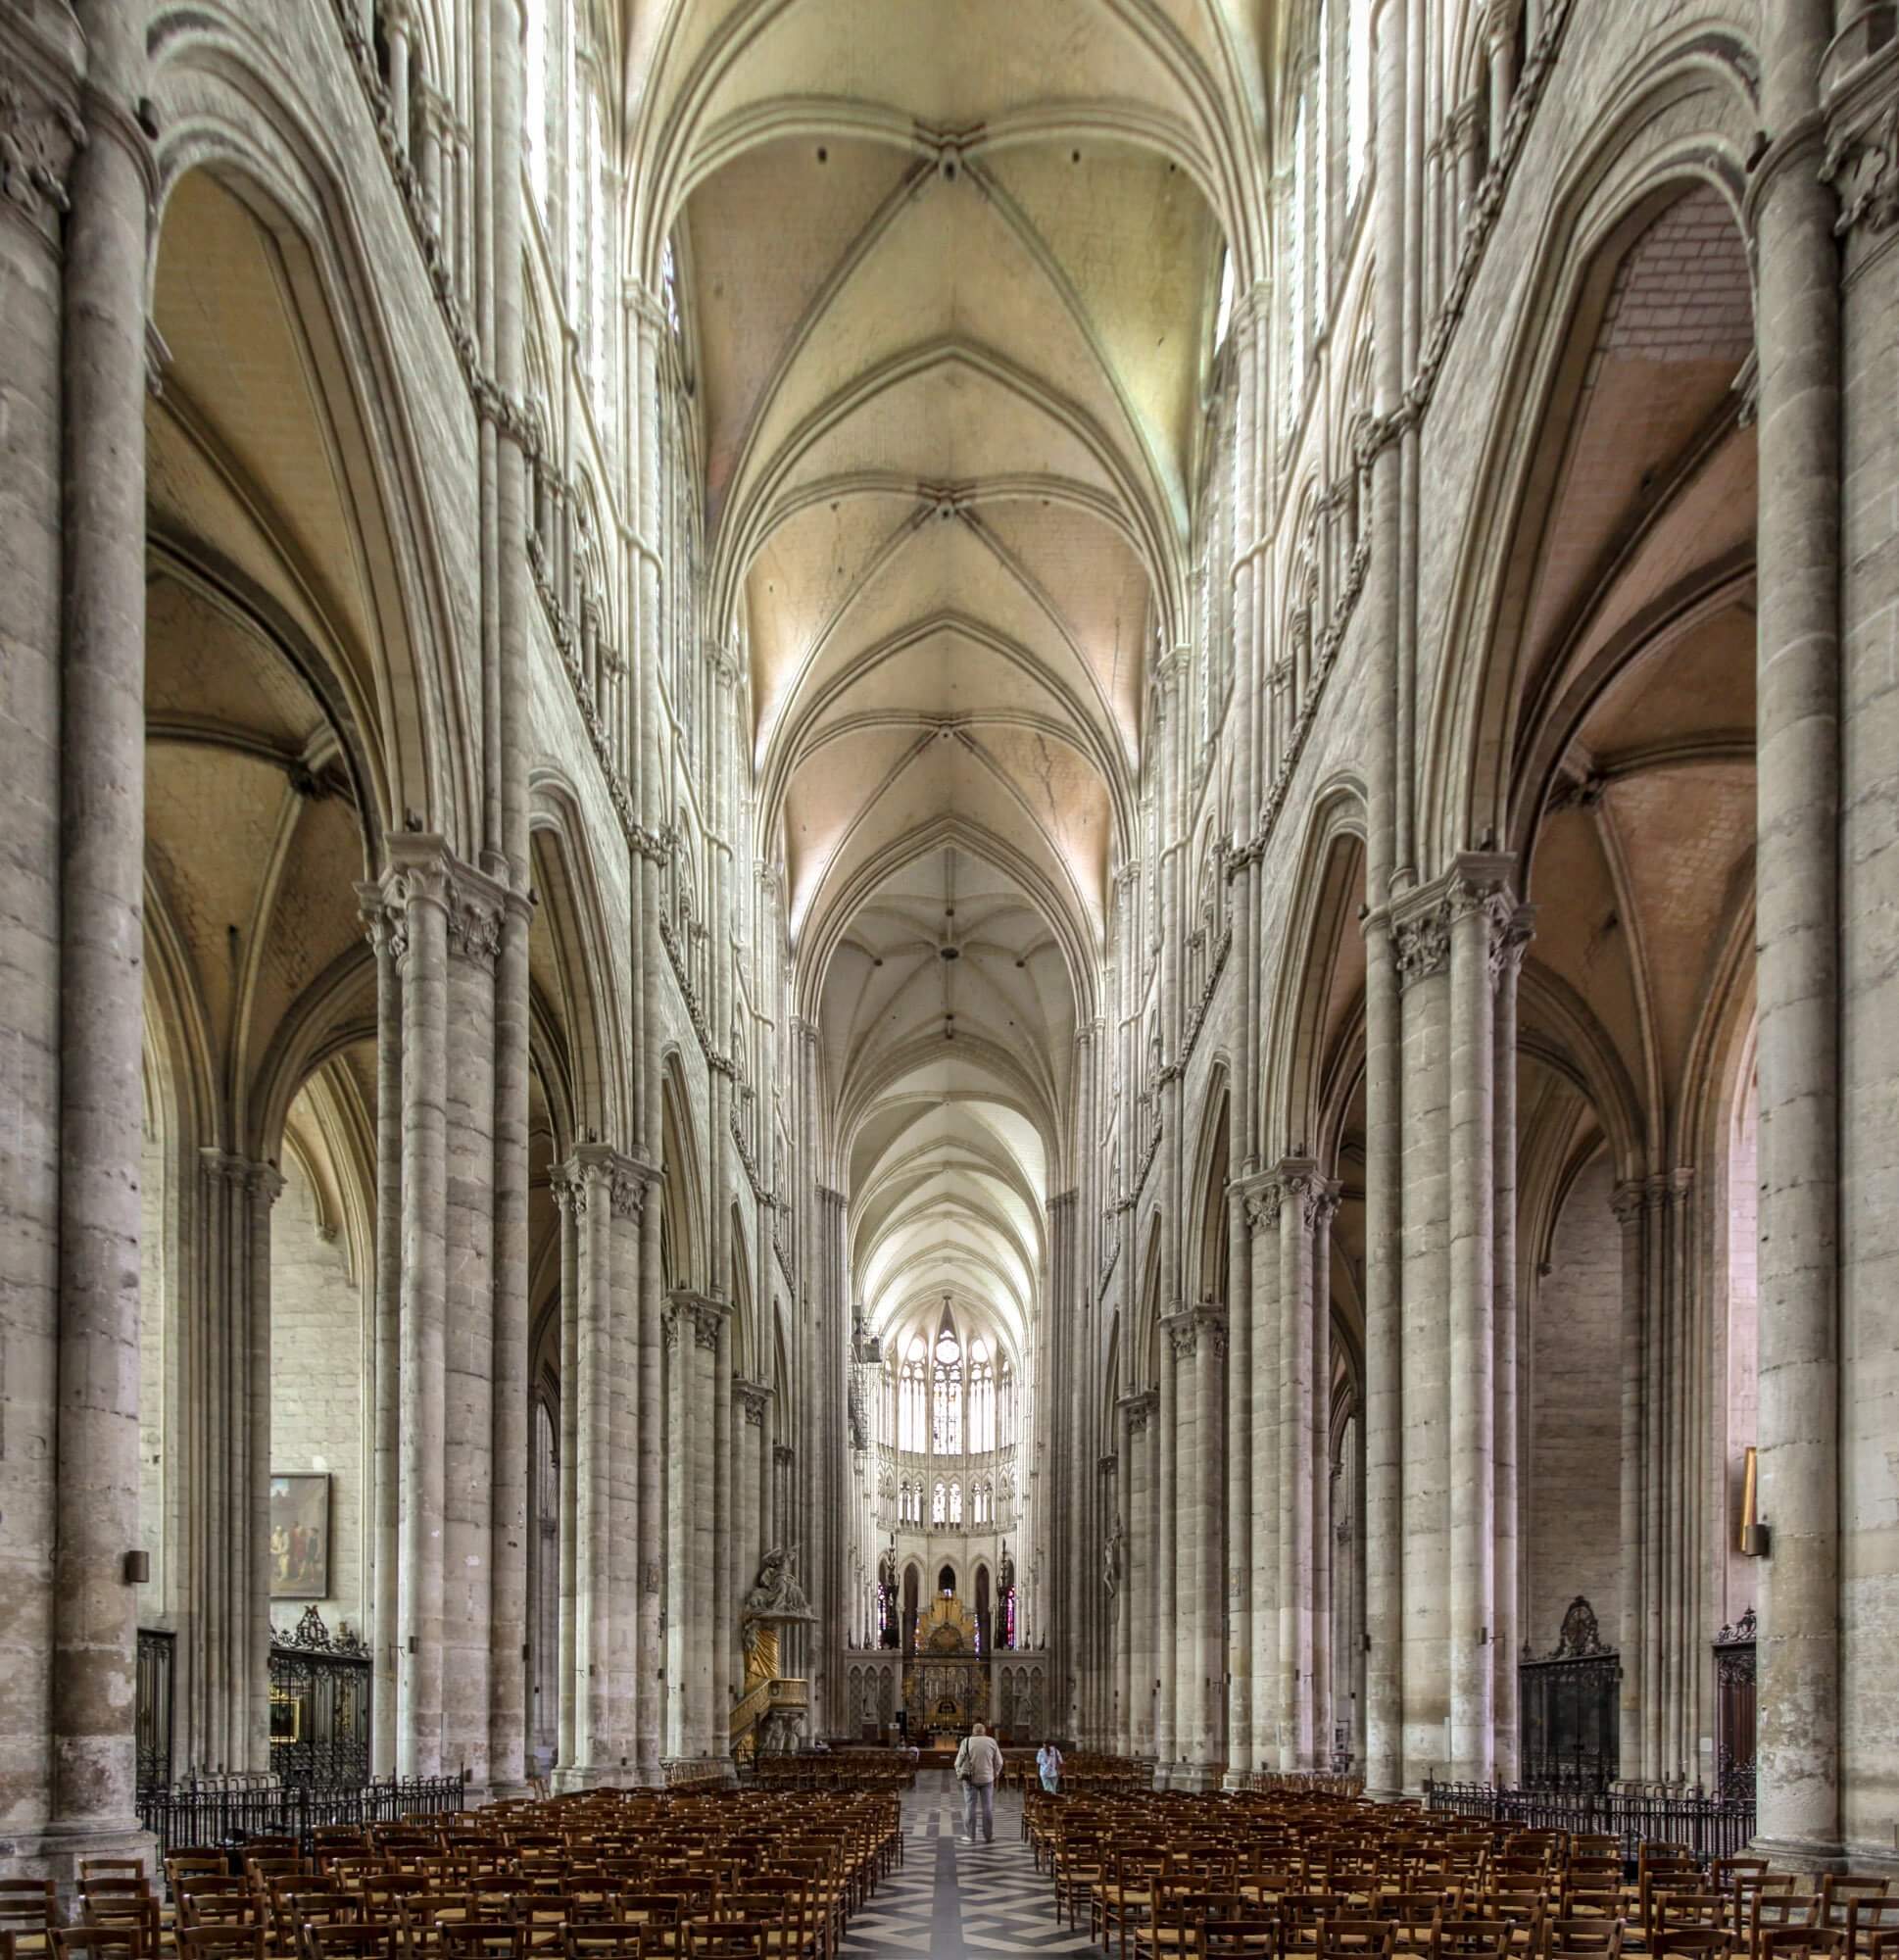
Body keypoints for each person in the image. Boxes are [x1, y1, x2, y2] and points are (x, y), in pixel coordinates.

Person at [952, 1721, 1003, 1843]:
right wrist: (994, 1774)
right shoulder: (992, 1741)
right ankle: (988, 1836)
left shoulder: (967, 1741)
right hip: (987, 1779)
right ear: (984, 1731)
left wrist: (959, 1773)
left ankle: (970, 1836)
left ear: (973, 1731)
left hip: (970, 1779)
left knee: (970, 1807)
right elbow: (999, 1762)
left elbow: (957, 1762)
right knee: (987, 1808)